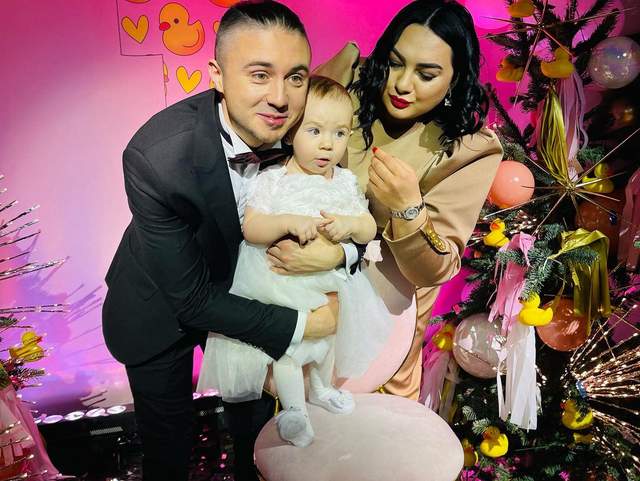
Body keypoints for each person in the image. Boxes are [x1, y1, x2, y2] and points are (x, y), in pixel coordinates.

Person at [101, 2, 363, 480]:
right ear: (218, 75)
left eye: (296, 77)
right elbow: (192, 298)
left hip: (254, 295)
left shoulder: (311, 132)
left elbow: (348, 213)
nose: (280, 98)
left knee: (260, 435)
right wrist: (307, 323)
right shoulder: (157, 157)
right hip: (163, 305)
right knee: (169, 448)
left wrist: (340, 252)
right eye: (260, 75)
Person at [315, 0, 504, 400]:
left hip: (384, 331)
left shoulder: (468, 149)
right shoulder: (348, 84)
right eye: (395, 63)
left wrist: (407, 209)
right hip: (305, 304)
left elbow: (436, 268)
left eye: (426, 74)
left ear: (455, 79)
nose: (402, 84)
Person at [198, 76, 393, 447]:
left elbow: (369, 227)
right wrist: (286, 222)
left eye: (340, 133)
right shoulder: (274, 179)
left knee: (329, 341)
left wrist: (351, 224)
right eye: (315, 131)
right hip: (282, 283)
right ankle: (293, 409)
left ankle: (321, 388)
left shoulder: (345, 181)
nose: (327, 144)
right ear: (290, 133)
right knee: (288, 350)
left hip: (332, 282)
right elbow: (252, 227)